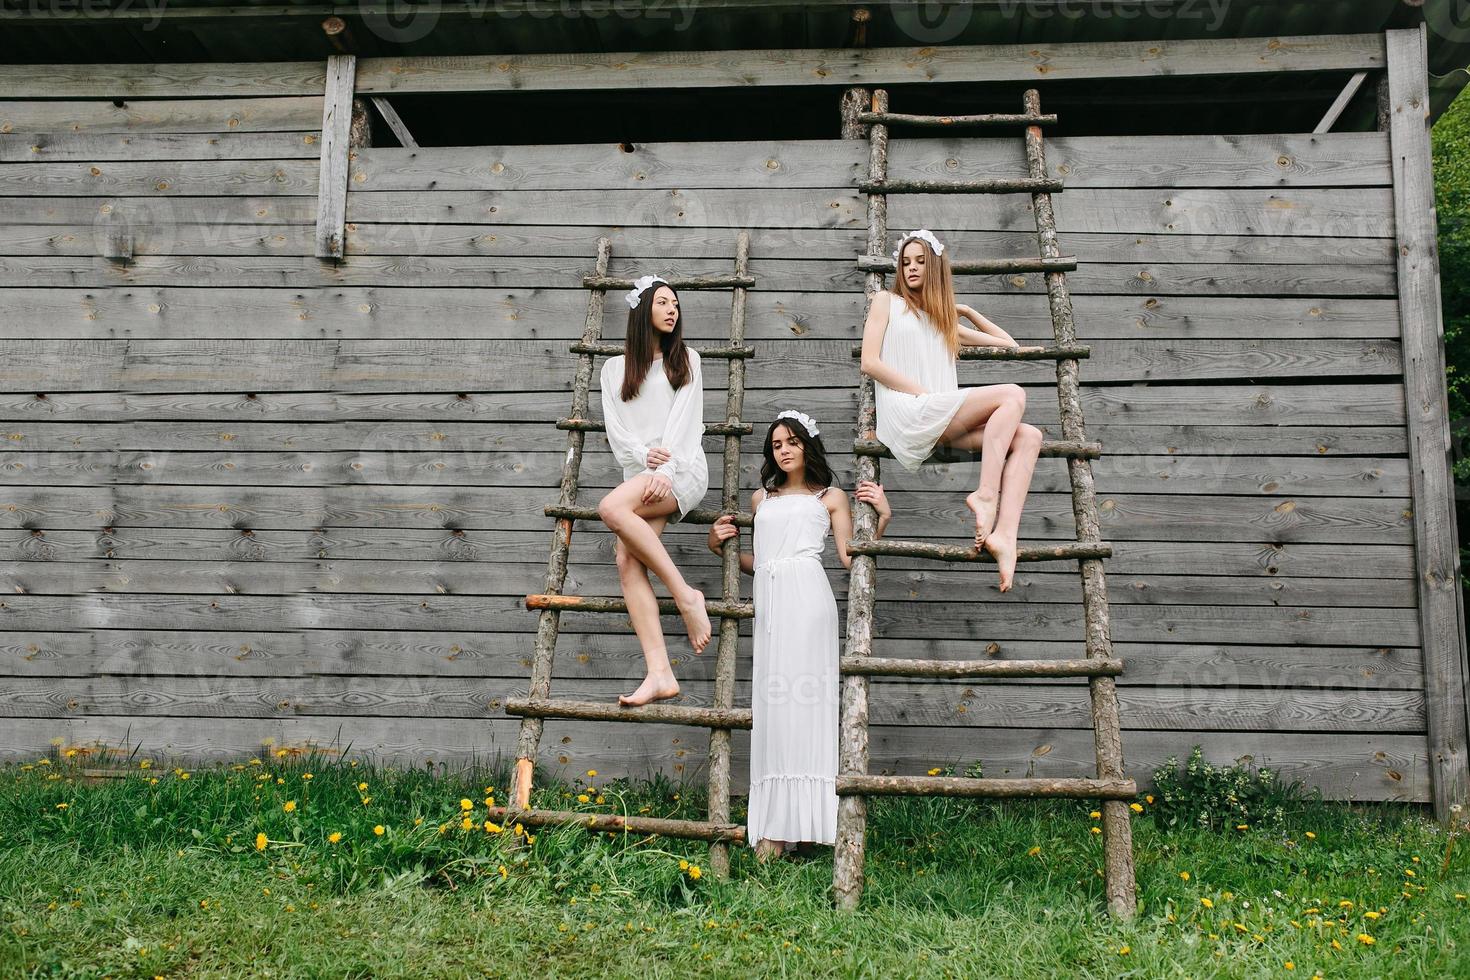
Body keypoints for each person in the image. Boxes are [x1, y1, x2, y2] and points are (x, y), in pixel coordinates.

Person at [708, 411, 890, 861]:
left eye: (791, 442)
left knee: (807, 706)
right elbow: (762, 560)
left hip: (809, 605)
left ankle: (811, 827)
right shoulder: (760, 499)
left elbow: (851, 558)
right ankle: (773, 828)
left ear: (808, 445)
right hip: (771, 607)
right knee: (775, 710)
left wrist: (882, 515)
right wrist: (720, 546)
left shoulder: (831, 497)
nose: (784, 450)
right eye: (776, 445)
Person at [859, 228, 1045, 592]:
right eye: (905, 262)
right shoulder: (886, 302)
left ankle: (1005, 535)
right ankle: (986, 495)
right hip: (910, 413)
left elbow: (1008, 344)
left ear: (937, 268)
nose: (911, 269)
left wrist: (965, 311)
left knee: (1030, 437)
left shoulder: (943, 323)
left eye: (921, 262)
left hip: (939, 419)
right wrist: (924, 394)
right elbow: (870, 362)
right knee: (1013, 395)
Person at [598, 274, 712, 706]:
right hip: (642, 474)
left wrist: (668, 466)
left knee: (610, 508)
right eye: (663, 302)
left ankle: (686, 596)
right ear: (642, 309)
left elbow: (688, 422)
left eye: (676, 304)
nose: (671, 309)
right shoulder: (614, 369)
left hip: (682, 470)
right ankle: (660, 673)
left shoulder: (687, 361)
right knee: (627, 559)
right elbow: (617, 429)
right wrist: (645, 458)